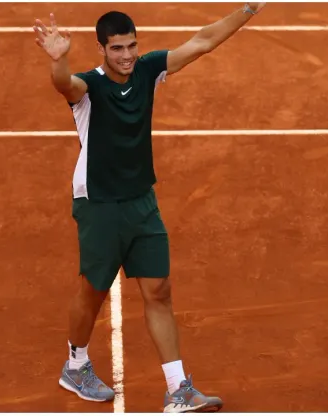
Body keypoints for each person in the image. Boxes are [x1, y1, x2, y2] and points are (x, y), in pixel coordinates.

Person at [33, 3, 266, 412]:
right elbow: (63, 84)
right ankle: (76, 365)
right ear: (102, 49)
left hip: (141, 199)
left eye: (132, 46)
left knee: (158, 289)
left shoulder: (147, 70)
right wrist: (59, 59)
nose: (127, 56)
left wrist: (246, 10)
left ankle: (179, 389)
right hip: (99, 203)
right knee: (93, 290)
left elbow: (203, 41)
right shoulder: (89, 88)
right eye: (117, 48)